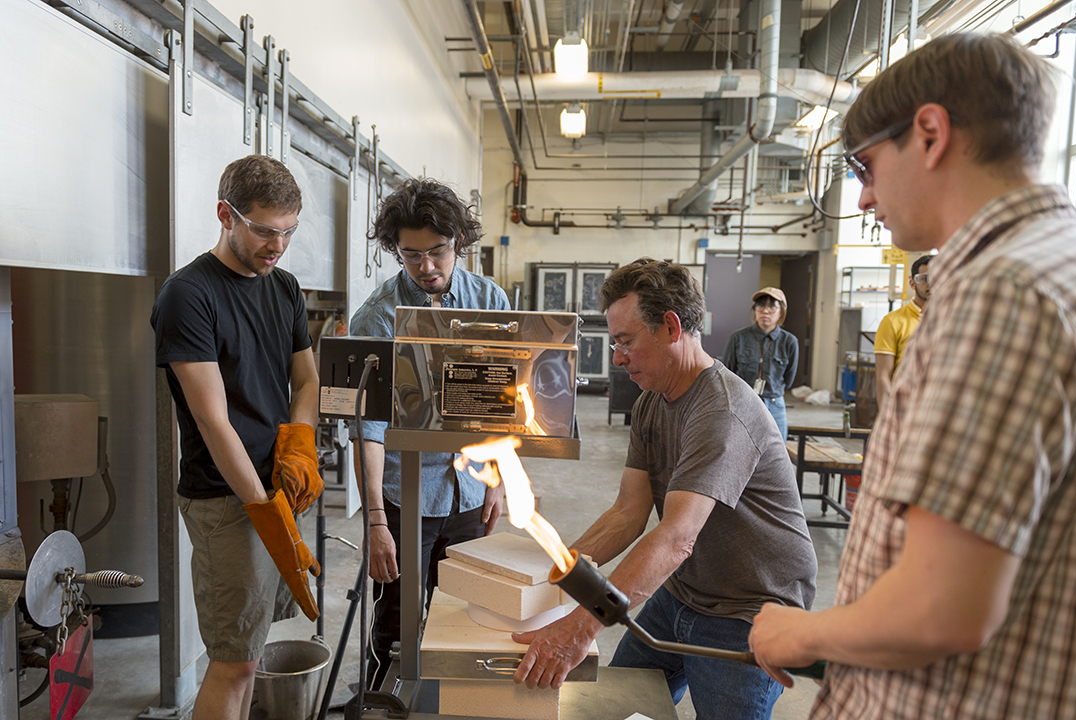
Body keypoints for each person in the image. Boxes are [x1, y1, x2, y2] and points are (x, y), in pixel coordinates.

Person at [749, 34, 1076, 720]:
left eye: (866, 166)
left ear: (930, 133)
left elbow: (940, 609)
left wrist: (799, 631)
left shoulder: (1000, 293)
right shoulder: (1059, 265)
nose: (865, 198)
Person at [512, 259, 817, 720]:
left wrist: (580, 628)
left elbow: (676, 539)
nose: (616, 357)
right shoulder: (653, 401)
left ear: (671, 327)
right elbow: (626, 514)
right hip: (686, 590)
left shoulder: (722, 411)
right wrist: (552, 580)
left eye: (625, 341)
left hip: (751, 607)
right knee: (618, 706)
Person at [151, 155, 322, 720]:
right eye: (265, 231)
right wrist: (265, 511)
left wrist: (298, 445)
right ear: (226, 215)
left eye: (289, 232)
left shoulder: (285, 288)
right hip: (227, 499)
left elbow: (307, 379)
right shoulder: (189, 295)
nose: (278, 245)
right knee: (233, 661)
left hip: (275, 489)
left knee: (251, 654)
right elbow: (213, 420)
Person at [350, 178, 508, 690]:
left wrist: (499, 481)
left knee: (463, 613)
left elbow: (500, 409)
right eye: (410, 255)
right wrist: (375, 520)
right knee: (397, 617)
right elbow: (368, 429)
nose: (426, 267)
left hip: (470, 489)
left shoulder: (490, 300)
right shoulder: (376, 318)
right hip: (404, 497)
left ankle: (449, 699)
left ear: (458, 241)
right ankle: (384, 698)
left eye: (437, 252)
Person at [722, 287, 799, 440]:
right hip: (743, 403)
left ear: (781, 311)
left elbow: (789, 379)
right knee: (741, 450)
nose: (765, 311)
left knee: (777, 455)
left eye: (772, 306)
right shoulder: (738, 338)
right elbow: (727, 373)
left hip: (775, 404)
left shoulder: (789, 341)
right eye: (761, 305)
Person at [873, 255, 932, 408]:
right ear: (912, 283)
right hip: (907, 407)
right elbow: (883, 376)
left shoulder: (952, 319)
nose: (931, 283)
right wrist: (887, 416)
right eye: (924, 278)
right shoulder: (893, 322)